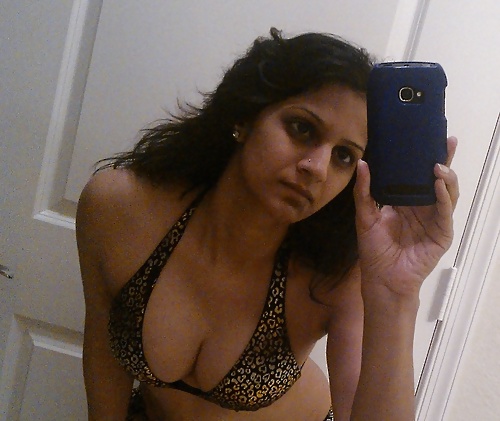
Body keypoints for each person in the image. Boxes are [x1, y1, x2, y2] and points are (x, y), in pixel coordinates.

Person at [76, 28, 459, 421]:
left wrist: (397, 293)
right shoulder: (118, 208)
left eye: (344, 156)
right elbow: (103, 350)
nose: (317, 167)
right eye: (302, 128)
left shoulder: (337, 276)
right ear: (246, 115)